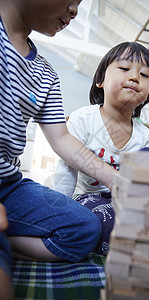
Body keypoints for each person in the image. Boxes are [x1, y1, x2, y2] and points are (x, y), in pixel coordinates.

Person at [0, 0, 119, 265]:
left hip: (8, 186)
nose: (75, 11)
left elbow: (61, 138)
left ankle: (7, 235)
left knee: (86, 229)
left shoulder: (46, 75)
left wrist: (113, 178)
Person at [54, 41, 149, 255]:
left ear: (148, 92)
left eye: (144, 75)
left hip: (125, 201)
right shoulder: (83, 118)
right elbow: (67, 168)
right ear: (100, 80)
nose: (135, 77)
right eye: (125, 69)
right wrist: (57, 210)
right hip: (87, 199)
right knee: (96, 223)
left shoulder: (144, 134)